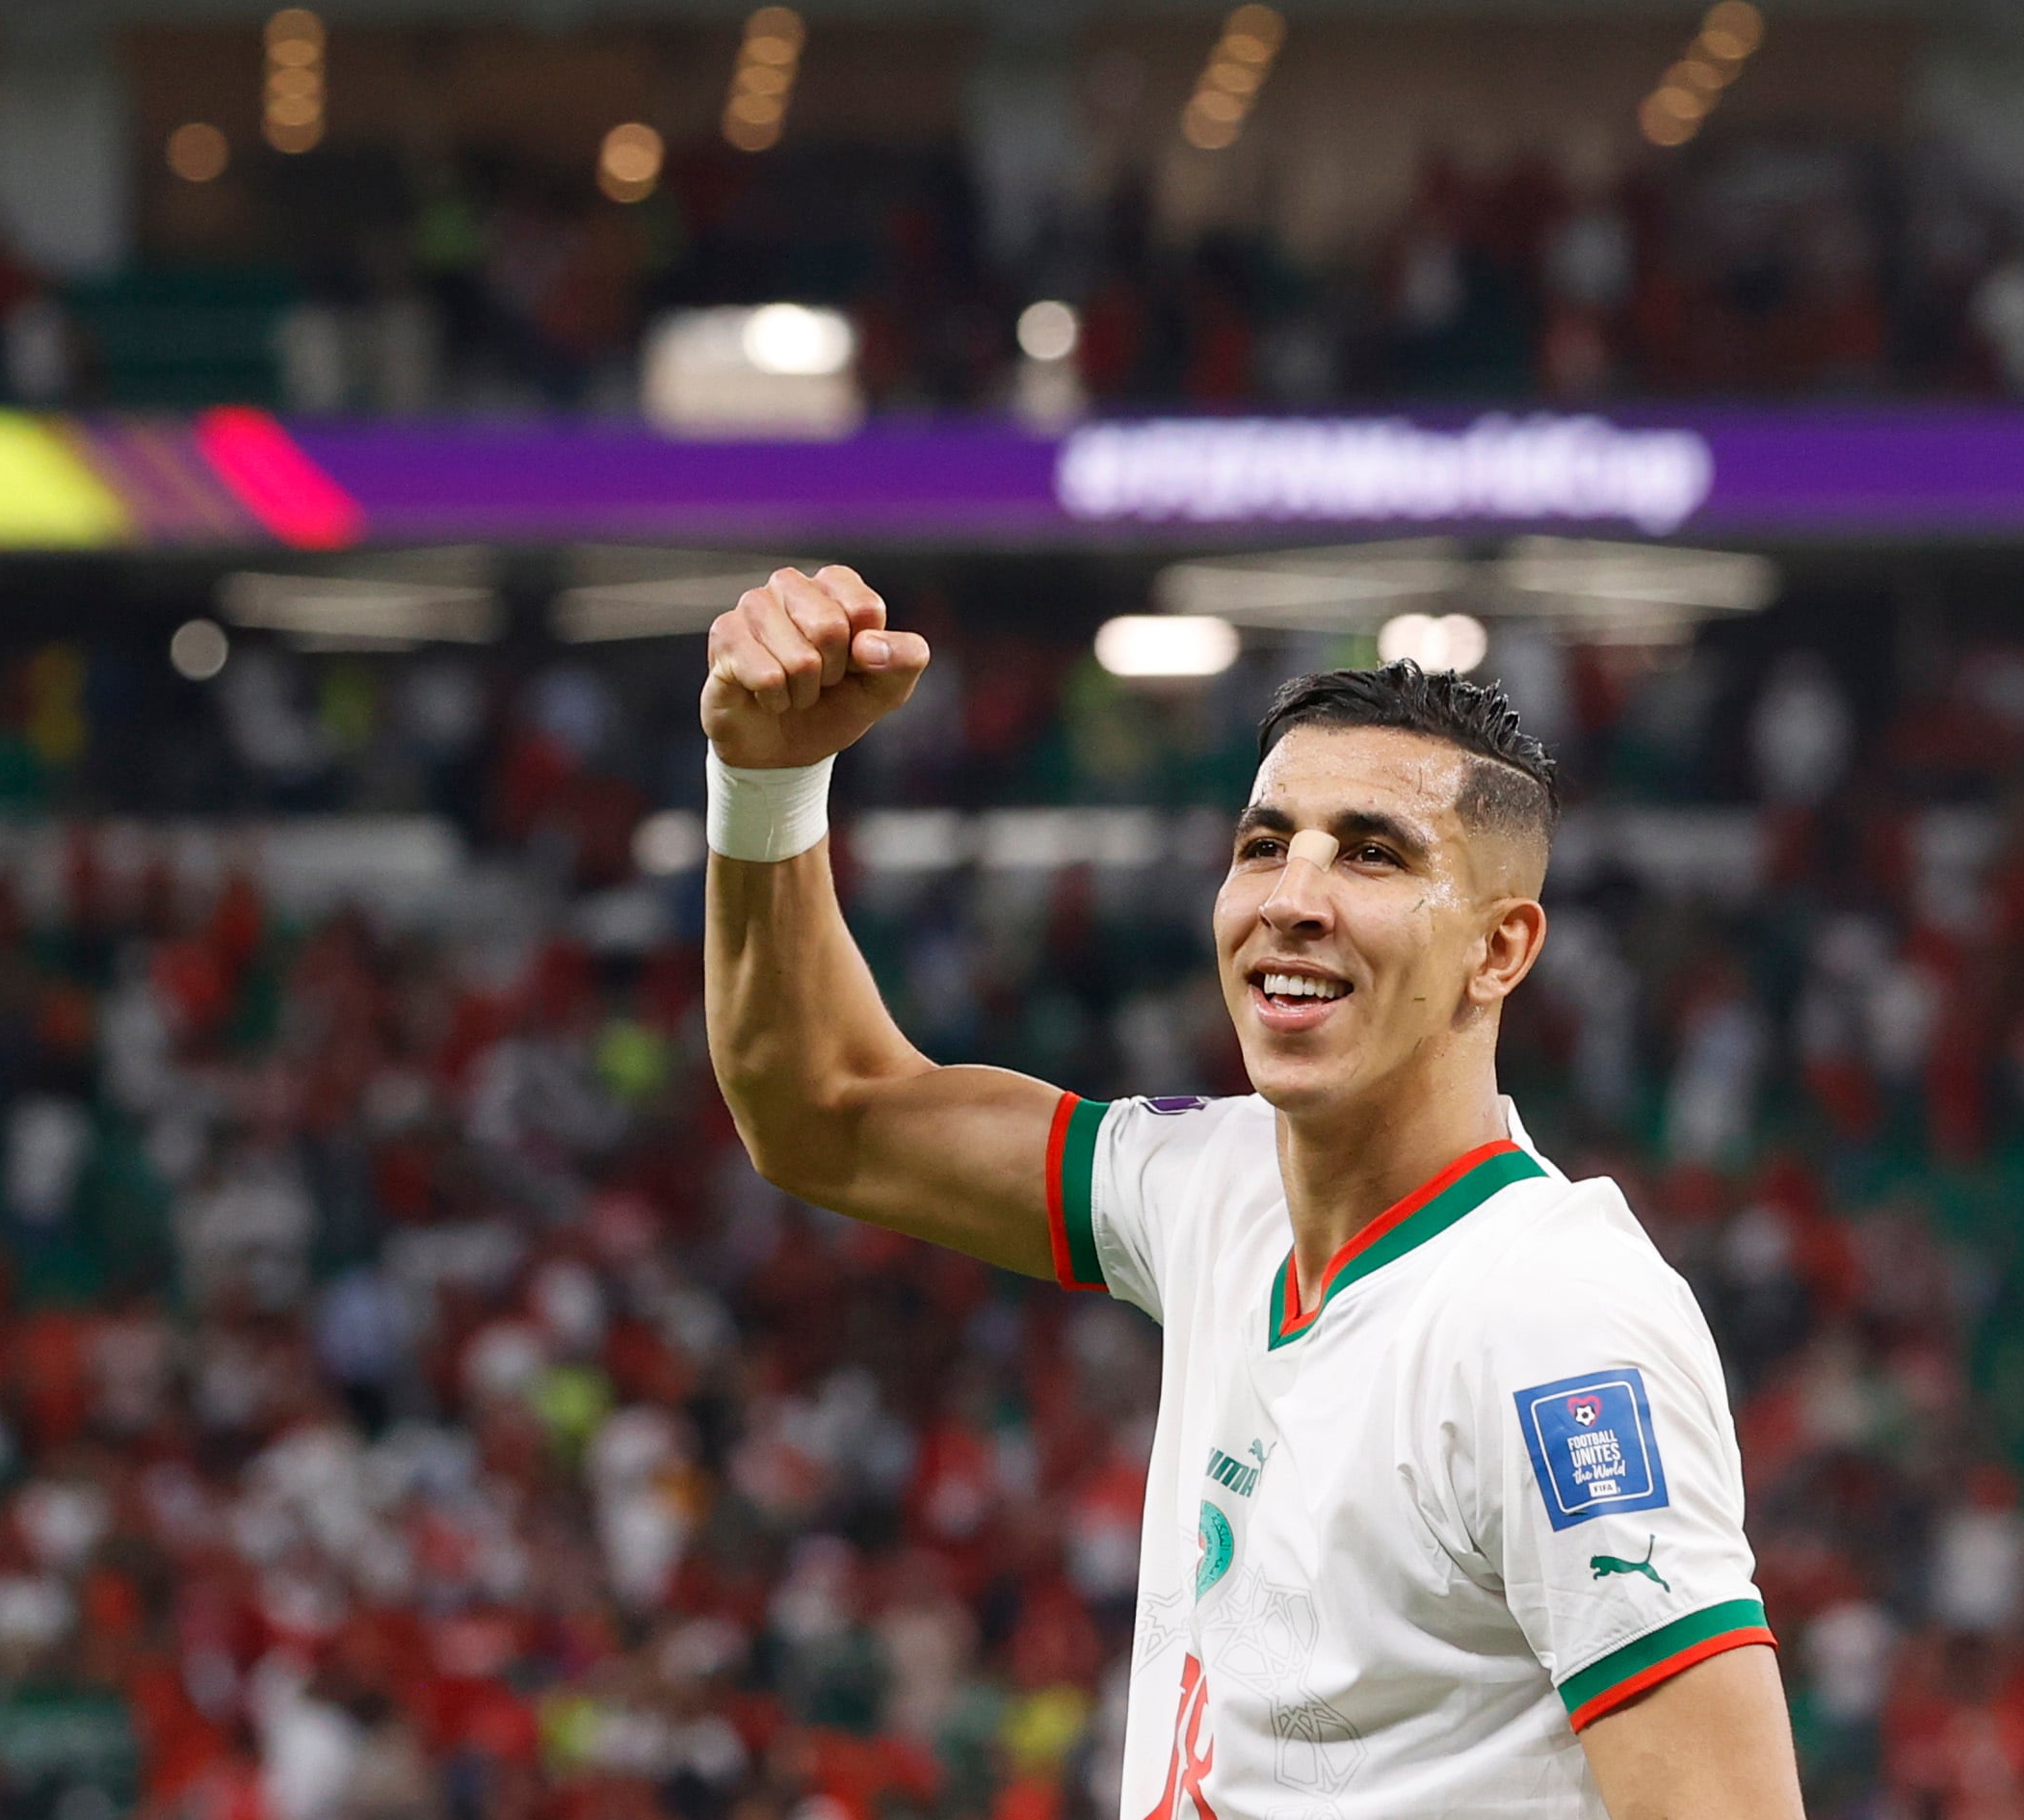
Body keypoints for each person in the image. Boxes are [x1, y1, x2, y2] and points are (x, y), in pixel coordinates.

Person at [699, 567, 1803, 1820]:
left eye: (1373, 856)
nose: (1293, 897)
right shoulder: (1215, 1189)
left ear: (1499, 948)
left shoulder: (1550, 1319)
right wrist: (769, 782)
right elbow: (824, 1111)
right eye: (1266, 844)